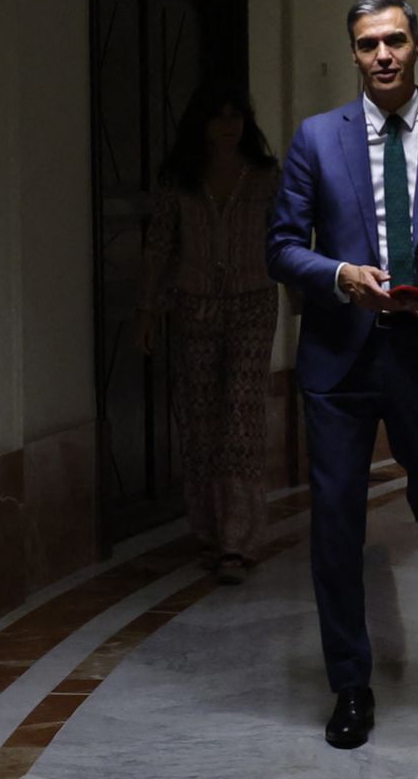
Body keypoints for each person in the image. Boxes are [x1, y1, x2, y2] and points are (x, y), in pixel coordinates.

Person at [266, 0, 418, 748]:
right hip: (341, 361)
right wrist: (340, 275)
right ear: (352, 52)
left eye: (395, 41)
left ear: (416, 45)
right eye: (369, 43)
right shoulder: (316, 138)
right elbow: (281, 246)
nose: (382, 55)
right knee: (336, 526)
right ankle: (350, 683)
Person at [137, 81, 280, 585]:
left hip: (253, 303)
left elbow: (284, 236)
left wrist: (307, 297)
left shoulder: (265, 176)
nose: (227, 127)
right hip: (192, 304)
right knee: (200, 418)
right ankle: (208, 528)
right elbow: (159, 246)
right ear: (200, 123)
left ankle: (238, 541)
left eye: (235, 116)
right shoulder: (179, 179)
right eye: (217, 116)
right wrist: (147, 311)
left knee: (241, 416)